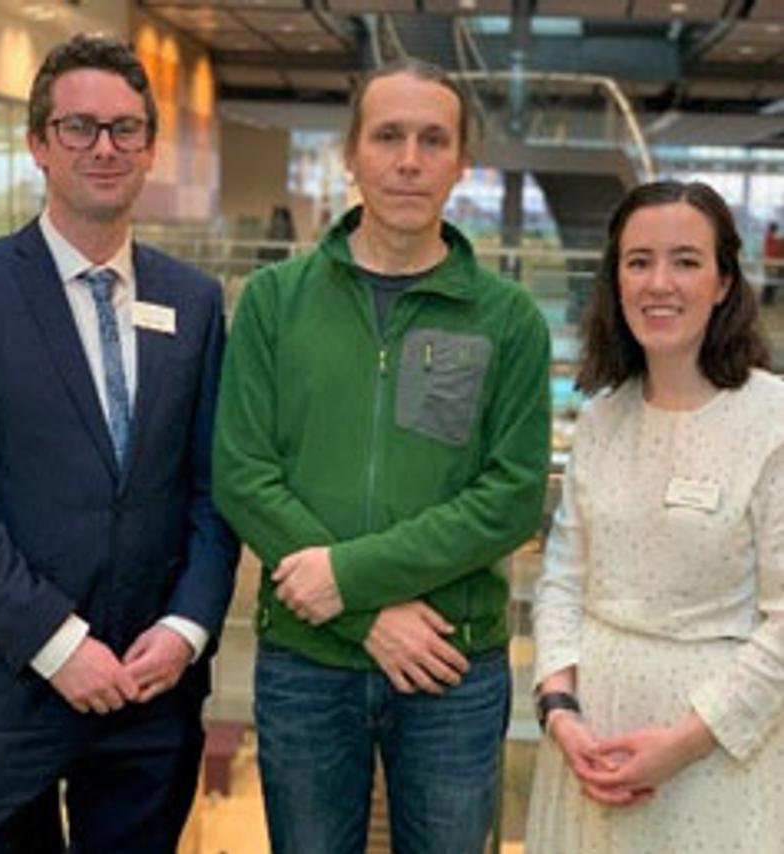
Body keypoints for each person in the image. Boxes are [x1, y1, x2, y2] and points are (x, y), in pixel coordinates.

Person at [212, 59, 551, 853]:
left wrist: (349, 580)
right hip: (305, 664)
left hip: (450, 666)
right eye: (388, 136)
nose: (409, 159)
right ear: (351, 154)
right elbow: (243, 474)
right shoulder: (273, 302)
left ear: (462, 161)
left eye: (433, 140)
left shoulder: (507, 321)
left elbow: (508, 496)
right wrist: (366, 614)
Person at [0, 34, 237, 853]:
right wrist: (59, 643)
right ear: (39, 144)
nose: (104, 147)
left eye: (124, 129)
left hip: (153, 696)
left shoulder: (193, 301)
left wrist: (188, 627)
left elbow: (213, 493)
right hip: (9, 689)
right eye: (79, 127)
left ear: (150, 148)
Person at [526, 180, 782, 853]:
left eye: (685, 261)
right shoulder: (603, 417)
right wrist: (560, 713)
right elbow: (560, 583)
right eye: (638, 261)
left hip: (718, 757)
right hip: (591, 750)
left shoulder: (772, 420)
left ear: (724, 281)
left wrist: (682, 745)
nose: (658, 283)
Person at [761, 220, 783, 305]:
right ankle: (767, 299)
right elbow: (776, 250)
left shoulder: (770, 237)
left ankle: (768, 299)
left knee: (771, 282)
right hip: (773, 263)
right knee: (771, 282)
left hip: (772, 262)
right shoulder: (771, 238)